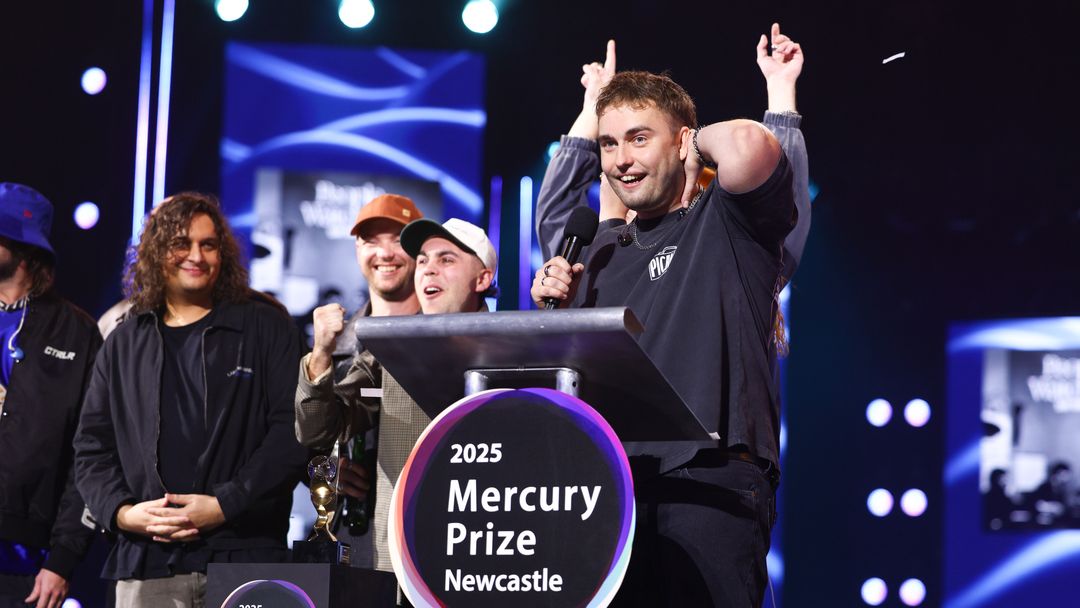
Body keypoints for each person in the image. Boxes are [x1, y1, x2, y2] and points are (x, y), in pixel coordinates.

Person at [530, 25, 805, 608]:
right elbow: (555, 206)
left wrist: (770, 98)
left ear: (682, 142)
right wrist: (591, 111)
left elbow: (753, 149)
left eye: (638, 139)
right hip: (608, 487)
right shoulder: (597, 250)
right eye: (609, 145)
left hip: (709, 483)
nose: (621, 161)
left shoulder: (727, 225)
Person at [74, 192, 308, 607]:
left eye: (208, 244)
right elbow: (92, 449)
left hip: (246, 554)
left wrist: (224, 504)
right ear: (155, 253)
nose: (196, 256)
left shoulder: (265, 325)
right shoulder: (123, 342)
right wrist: (125, 513)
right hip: (148, 561)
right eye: (181, 244)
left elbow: (291, 433)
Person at [295, 214, 496, 577]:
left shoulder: (514, 348)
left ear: (482, 278)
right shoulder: (388, 349)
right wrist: (321, 354)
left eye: (446, 259)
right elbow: (319, 431)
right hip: (399, 563)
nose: (428, 270)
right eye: (422, 261)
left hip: (484, 557)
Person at [295, 193, 425, 569]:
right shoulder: (331, 346)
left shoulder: (442, 339)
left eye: (398, 239)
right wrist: (323, 472)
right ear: (356, 249)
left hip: (426, 519)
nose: (385, 253)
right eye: (371, 240)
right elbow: (306, 439)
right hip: (357, 533)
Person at [0, 183, 101, 608]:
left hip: (24, 560)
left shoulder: (76, 332)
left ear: (22, 248)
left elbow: (90, 453)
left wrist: (62, 559)